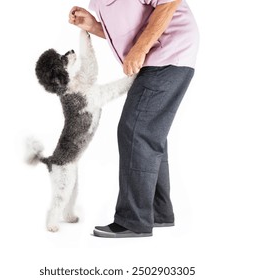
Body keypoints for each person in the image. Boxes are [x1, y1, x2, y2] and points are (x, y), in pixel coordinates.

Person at [69, 0, 199, 238]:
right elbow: (125, 30)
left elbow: (169, 3)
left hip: (171, 52)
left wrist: (139, 50)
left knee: (135, 130)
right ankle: (156, 211)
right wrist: (94, 25)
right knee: (149, 132)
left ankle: (133, 220)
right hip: (160, 58)